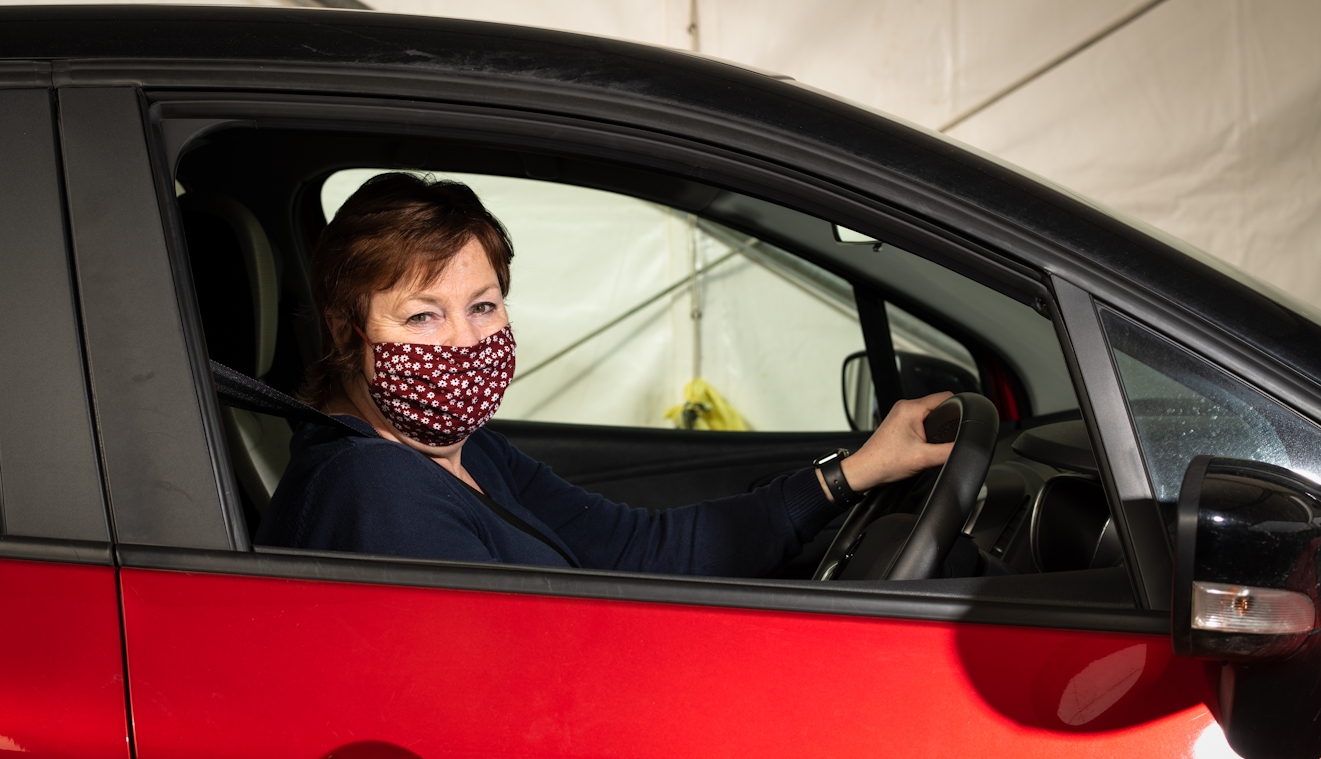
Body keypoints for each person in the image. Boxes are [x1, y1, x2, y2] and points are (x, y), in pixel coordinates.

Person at [256, 173, 954, 575]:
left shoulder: (465, 452)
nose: (465, 342)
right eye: (421, 318)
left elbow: (640, 549)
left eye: (483, 305)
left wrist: (850, 475)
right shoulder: (376, 494)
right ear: (348, 327)